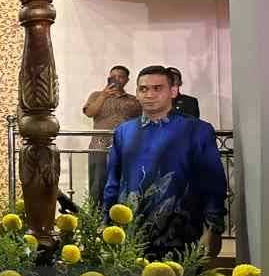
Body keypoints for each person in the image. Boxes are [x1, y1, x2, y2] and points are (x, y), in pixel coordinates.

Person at [103, 66, 226, 259]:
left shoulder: (197, 130)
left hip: (183, 233)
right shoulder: (124, 132)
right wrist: (106, 221)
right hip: (130, 234)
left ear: (173, 91)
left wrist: (213, 227)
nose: (149, 94)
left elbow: (213, 181)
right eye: (143, 89)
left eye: (157, 88)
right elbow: (113, 180)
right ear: (137, 93)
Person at [82, 65, 141, 204]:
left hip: (125, 147)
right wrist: (104, 95)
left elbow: (141, 122)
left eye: (120, 76)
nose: (117, 79)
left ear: (127, 80)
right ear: (108, 78)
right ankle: (95, 215)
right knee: (97, 184)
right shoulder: (96, 95)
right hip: (99, 146)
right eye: (113, 76)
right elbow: (89, 112)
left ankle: (121, 213)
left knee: (123, 182)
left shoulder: (134, 100)